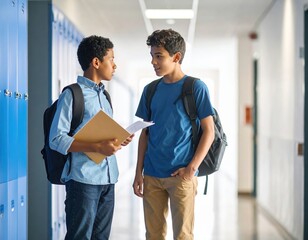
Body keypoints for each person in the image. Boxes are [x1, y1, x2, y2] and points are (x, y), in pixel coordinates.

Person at [132, 29, 215, 240]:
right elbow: (145, 134)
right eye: (152, 55)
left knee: (183, 236)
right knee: (153, 235)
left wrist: (191, 169)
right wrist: (138, 173)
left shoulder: (195, 87)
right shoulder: (150, 90)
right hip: (152, 175)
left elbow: (209, 131)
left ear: (176, 57)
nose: (153, 61)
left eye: (159, 56)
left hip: (181, 175)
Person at [49, 35, 134, 240]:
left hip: (108, 179)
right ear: (96, 62)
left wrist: (117, 140)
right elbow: (56, 139)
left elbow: (101, 136)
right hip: (83, 180)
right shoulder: (72, 95)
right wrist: (97, 147)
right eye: (111, 59)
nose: (115, 65)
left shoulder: (105, 96)